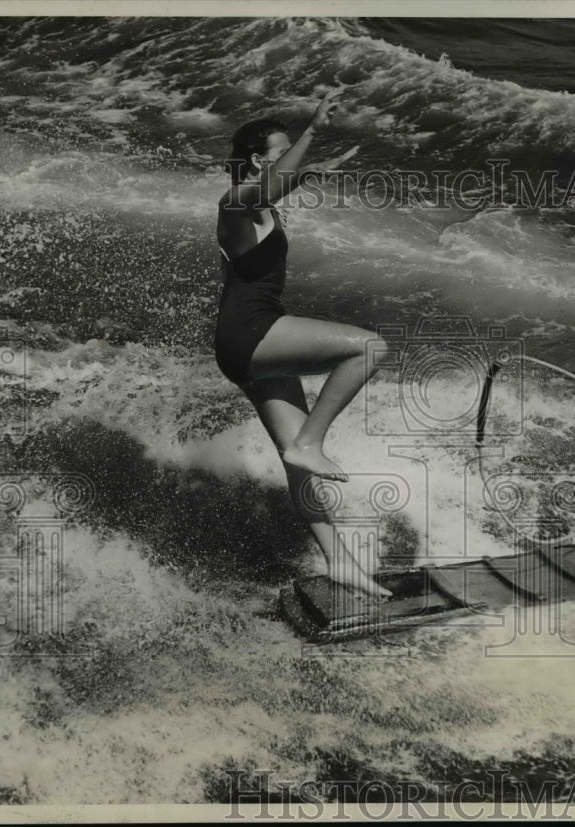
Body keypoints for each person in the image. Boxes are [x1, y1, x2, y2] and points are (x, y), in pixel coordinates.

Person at [214, 89, 391, 598]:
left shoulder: (260, 205)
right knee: (370, 347)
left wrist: (313, 169)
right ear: (256, 159)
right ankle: (312, 444)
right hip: (251, 334)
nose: (293, 155)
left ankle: (340, 562)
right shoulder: (232, 205)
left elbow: (275, 188)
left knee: (294, 461)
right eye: (284, 148)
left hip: (253, 336)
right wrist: (313, 130)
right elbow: (263, 191)